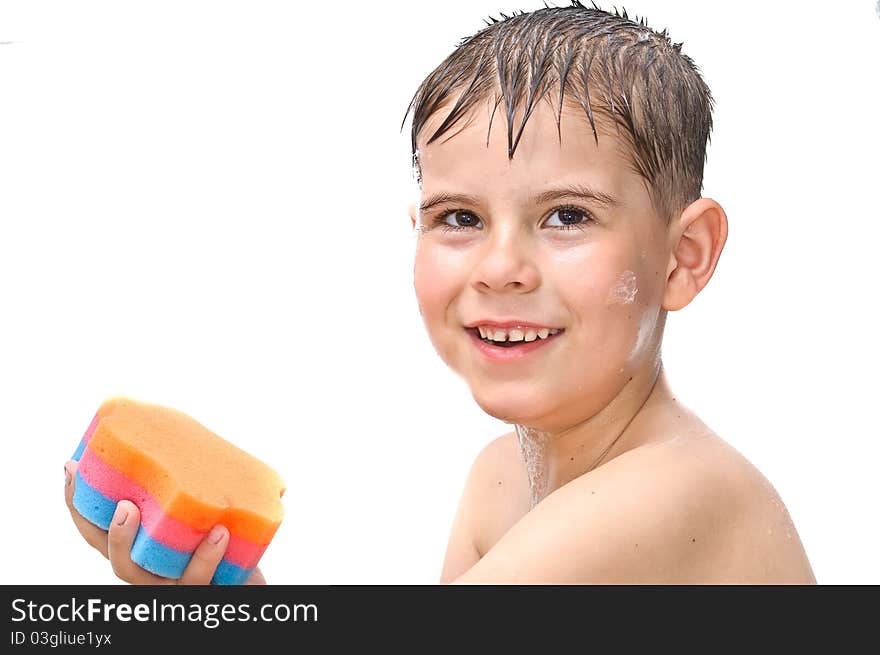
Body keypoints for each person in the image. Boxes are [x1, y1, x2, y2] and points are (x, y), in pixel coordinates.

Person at [64, 1, 815, 584]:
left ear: (684, 258)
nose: (500, 267)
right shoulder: (500, 476)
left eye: (567, 216)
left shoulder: (678, 489)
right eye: (459, 217)